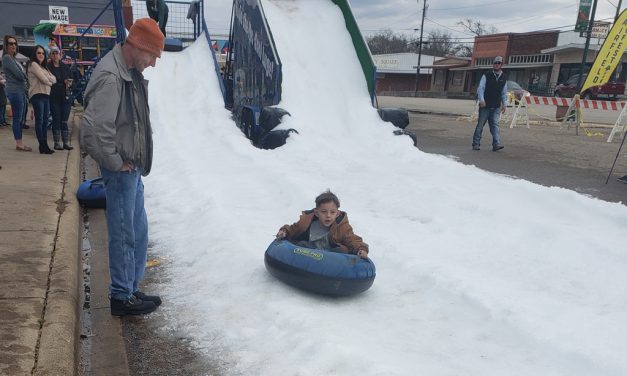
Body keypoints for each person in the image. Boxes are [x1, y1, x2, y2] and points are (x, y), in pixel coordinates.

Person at [80, 18, 164, 316]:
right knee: (124, 231)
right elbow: (93, 129)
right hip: (120, 170)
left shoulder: (126, 70)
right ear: (139, 46)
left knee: (138, 228)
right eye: (153, 55)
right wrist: (116, 161)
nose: (153, 63)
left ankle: (130, 286)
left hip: (132, 167)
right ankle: (120, 296)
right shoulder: (111, 76)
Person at [276, 190, 370, 258]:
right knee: (301, 244)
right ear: (317, 213)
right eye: (324, 212)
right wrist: (284, 231)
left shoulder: (342, 226)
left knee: (342, 250)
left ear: (337, 213)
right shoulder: (306, 222)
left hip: (329, 253)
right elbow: (293, 229)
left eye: (332, 212)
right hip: (309, 251)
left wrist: (361, 249)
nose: (328, 216)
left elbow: (353, 240)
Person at [472, 55, 508, 152]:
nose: (497, 65)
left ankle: (496, 144)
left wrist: (504, 104)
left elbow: (504, 92)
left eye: (499, 63)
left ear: (501, 64)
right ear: (493, 64)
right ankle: (476, 143)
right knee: (480, 125)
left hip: (496, 106)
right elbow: (481, 88)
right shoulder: (486, 75)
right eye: (495, 63)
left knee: (495, 125)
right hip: (485, 105)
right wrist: (482, 100)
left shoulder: (504, 77)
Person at [2, 35, 31, 151]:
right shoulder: (7, 58)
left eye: (15, 43)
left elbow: (21, 73)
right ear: (6, 45)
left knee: (20, 118)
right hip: (15, 91)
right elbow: (20, 75)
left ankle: (20, 142)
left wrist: (23, 75)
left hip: (20, 90)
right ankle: (19, 144)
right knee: (17, 118)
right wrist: (24, 76)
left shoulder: (13, 58)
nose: (13, 45)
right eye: (10, 43)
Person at [27, 45, 56, 154]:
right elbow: (45, 80)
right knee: (40, 121)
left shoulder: (45, 67)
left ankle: (44, 146)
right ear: (35, 54)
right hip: (37, 94)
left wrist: (48, 80)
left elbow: (54, 79)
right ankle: (42, 145)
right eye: (39, 53)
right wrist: (49, 81)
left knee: (44, 121)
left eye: (43, 53)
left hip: (45, 95)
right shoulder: (33, 64)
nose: (41, 55)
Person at [48, 46, 73, 150]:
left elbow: (72, 79)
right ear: (50, 55)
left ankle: (66, 143)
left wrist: (69, 82)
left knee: (64, 120)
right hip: (54, 97)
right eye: (53, 53)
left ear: (60, 54)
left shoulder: (65, 67)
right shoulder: (48, 67)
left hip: (65, 96)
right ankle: (57, 143)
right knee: (56, 119)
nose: (55, 55)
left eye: (57, 53)